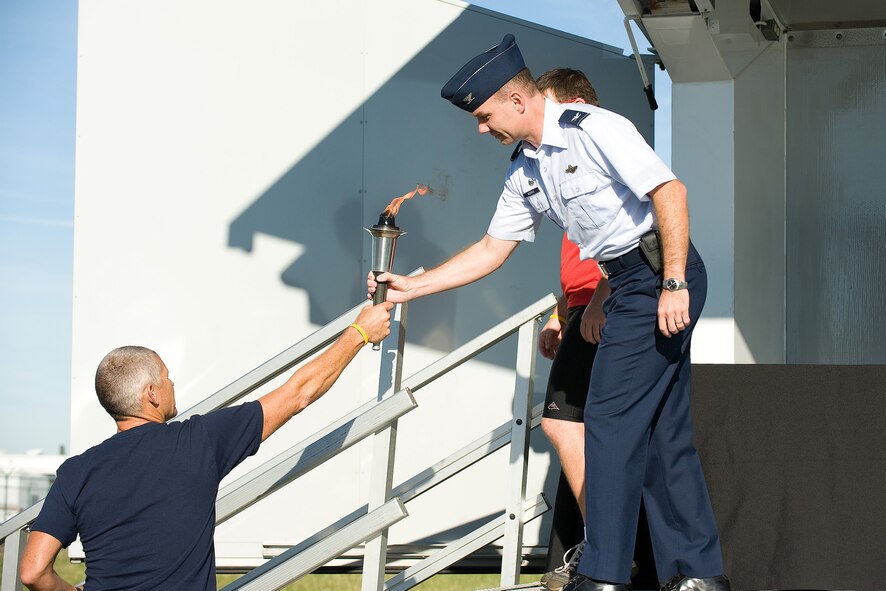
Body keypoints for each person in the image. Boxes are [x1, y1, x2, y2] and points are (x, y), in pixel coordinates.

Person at [368, 34, 729, 591]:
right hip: (628, 281)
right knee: (662, 431)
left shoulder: (595, 129)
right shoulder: (525, 169)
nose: (482, 129)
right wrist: (410, 288)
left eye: (486, 117)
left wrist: (674, 281)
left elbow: (669, 193)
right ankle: (699, 575)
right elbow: (492, 249)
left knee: (606, 421)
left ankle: (604, 576)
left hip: (662, 275)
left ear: (517, 100)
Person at [19, 302, 393, 591]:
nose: (172, 382)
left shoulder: (77, 472)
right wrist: (359, 331)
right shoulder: (197, 441)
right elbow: (297, 395)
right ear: (151, 394)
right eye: (165, 377)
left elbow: (33, 572)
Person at [532, 68, 607, 591]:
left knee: (565, 423)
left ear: (575, 104)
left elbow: (628, 237)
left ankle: (606, 546)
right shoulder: (558, 166)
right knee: (570, 427)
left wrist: (602, 298)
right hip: (581, 310)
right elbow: (574, 259)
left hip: (609, 306)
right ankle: (596, 548)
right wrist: (561, 312)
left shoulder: (601, 154)